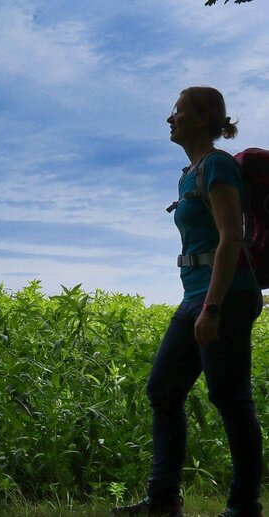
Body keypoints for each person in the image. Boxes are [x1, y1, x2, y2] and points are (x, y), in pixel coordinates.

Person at [111, 86, 263, 517]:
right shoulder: (190, 172)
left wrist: (213, 307)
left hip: (226, 295)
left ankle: (243, 506)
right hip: (195, 295)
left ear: (201, 118)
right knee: (163, 390)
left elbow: (231, 237)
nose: (169, 118)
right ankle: (163, 500)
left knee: (230, 398)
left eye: (176, 111)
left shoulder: (216, 166)